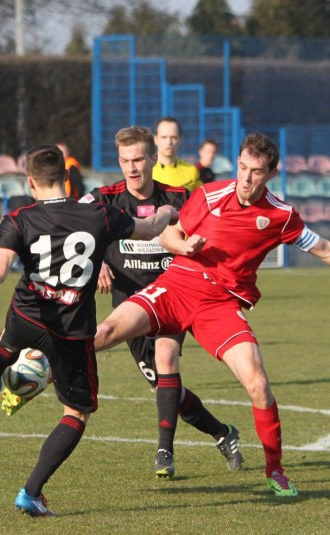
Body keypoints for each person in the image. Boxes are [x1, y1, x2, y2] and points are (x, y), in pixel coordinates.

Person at [94, 132, 330, 497]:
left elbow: (325, 249)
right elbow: (169, 236)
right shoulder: (210, 195)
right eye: (243, 167)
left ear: (271, 173)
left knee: (258, 384)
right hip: (178, 286)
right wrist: (184, 246)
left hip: (220, 305)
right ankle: (47, 363)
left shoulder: (280, 215)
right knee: (106, 332)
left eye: (256, 171)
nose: (246, 178)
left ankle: (275, 470)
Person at [0, 144, 176, 517]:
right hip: (72, 332)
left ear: (30, 183)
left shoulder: (19, 218)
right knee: (76, 413)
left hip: (28, 316)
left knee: (11, 336)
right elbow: (150, 230)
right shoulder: (99, 215)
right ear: (66, 177)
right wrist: (167, 212)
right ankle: (31, 492)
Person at [81, 126, 243, 479]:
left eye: (138, 159)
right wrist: (98, 262)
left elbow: (213, 232)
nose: (132, 167)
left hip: (174, 297)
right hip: (130, 308)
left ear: (153, 158)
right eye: (125, 160)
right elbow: (75, 228)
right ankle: (223, 433)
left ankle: (164, 453)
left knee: (166, 358)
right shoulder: (104, 198)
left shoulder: (180, 197)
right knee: (165, 388)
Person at [152, 117, 202, 191]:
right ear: (155, 139)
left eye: (174, 137)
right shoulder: (146, 171)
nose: (169, 142)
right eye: (164, 137)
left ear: (180, 139)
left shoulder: (191, 171)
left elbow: (200, 196)